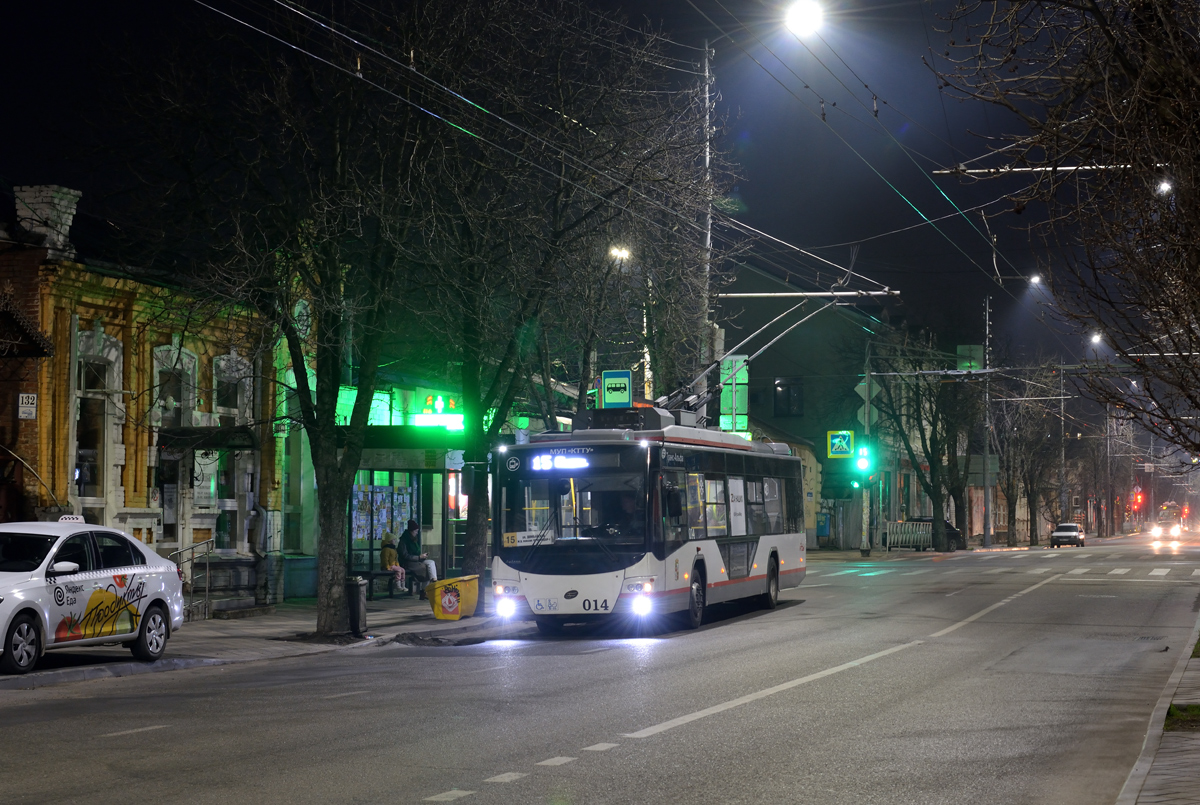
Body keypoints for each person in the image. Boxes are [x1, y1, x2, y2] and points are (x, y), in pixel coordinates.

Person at [399, 519, 437, 599]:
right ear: (411, 531)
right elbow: (405, 555)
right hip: (408, 562)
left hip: (417, 560)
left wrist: (421, 556)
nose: (416, 533)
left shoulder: (414, 539)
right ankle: (424, 591)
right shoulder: (404, 540)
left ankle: (434, 580)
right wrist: (419, 557)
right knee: (424, 569)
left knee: (431, 563)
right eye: (415, 531)